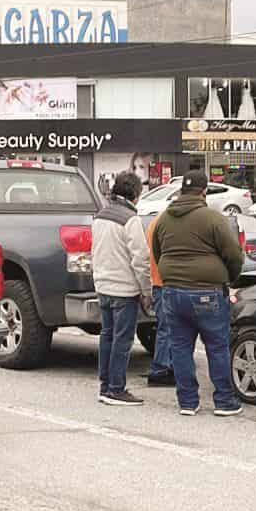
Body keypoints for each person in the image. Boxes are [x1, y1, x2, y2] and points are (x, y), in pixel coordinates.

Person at [150, 169, 245, 417]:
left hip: (172, 291)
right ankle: (224, 401)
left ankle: (188, 402)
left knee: (180, 347)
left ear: (181, 190)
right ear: (204, 191)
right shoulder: (213, 218)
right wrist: (229, 277)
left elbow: (158, 252)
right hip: (207, 292)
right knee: (216, 346)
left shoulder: (164, 219)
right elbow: (233, 254)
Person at [90, 172, 153, 406]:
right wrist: (146, 291)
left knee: (107, 336)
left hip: (103, 286)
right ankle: (116, 389)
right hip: (124, 289)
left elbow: (95, 250)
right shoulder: (130, 219)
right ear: (136, 194)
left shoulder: (100, 216)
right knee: (122, 339)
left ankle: (105, 385)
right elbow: (141, 259)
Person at [143, 214, 175, 387]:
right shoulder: (168, 223)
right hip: (165, 282)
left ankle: (166, 366)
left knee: (166, 327)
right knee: (167, 328)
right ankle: (160, 369)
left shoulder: (157, 221)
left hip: (158, 281)